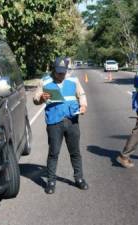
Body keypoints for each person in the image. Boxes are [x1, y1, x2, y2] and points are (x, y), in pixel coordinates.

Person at [33, 57, 89, 194]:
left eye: (63, 72)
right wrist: (41, 98)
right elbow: (35, 99)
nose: (61, 75)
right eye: (58, 72)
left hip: (72, 121)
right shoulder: (44, 81)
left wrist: (83, 105)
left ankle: (79, 178)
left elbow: (81, 94)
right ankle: (51, 181)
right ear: (53, 70)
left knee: (75, 152)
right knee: (53, 153)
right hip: (54, 122)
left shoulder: (73, 80)